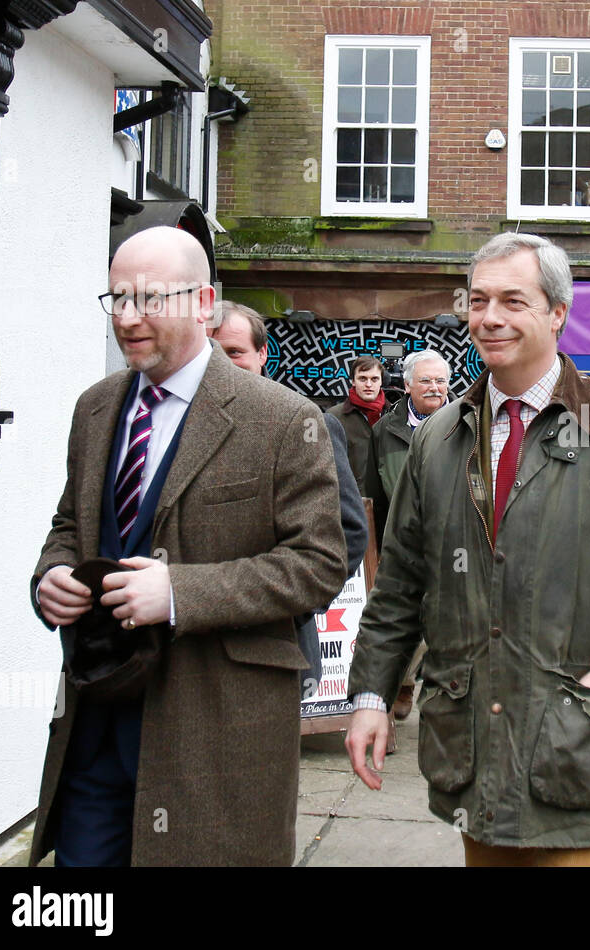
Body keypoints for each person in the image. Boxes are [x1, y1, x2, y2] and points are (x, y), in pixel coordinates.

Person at [343, 232, 590, 866]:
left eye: (513, 301)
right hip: (473, 752)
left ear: (557, 313)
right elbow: (402, 582)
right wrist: (372, 696)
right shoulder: (439, 439)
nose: (490, 317)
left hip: (583, 760)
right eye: (479, 300)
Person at [30, 226, 348, 865]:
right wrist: (53, 573)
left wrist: (180, 593)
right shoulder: (94, 409)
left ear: (204, 302)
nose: (127, 317)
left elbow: (319, 565)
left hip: (216, 730)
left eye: (150, 299)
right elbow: (70, 523)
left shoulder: (284, 420)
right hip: (96, 721)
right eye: (116, 299)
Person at [208, 300, 368, 699]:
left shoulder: (306, 422)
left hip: (277, 650)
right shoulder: (179, 425)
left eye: (235, 352)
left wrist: (292, 608)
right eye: (211, 351)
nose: (222, 364)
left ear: (262, 354)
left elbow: (348, 532)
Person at [370, 348, 452, 719]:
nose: (435, 388)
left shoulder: (468, 423)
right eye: (426, 381)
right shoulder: (384, 432)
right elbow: (371, 491)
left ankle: (428, 684)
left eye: (440, 380)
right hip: (404, 542)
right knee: (403, 616)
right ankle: (401, 683)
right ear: (406, 385)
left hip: (455, 541)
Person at [327, 355, 387, 535]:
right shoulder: (333, 417)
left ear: (381, 382)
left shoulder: (395, 416)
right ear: (353, 381)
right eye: (363, 378)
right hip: (349, 509)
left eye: (374, 379)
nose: (369, 384)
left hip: (388, 507)